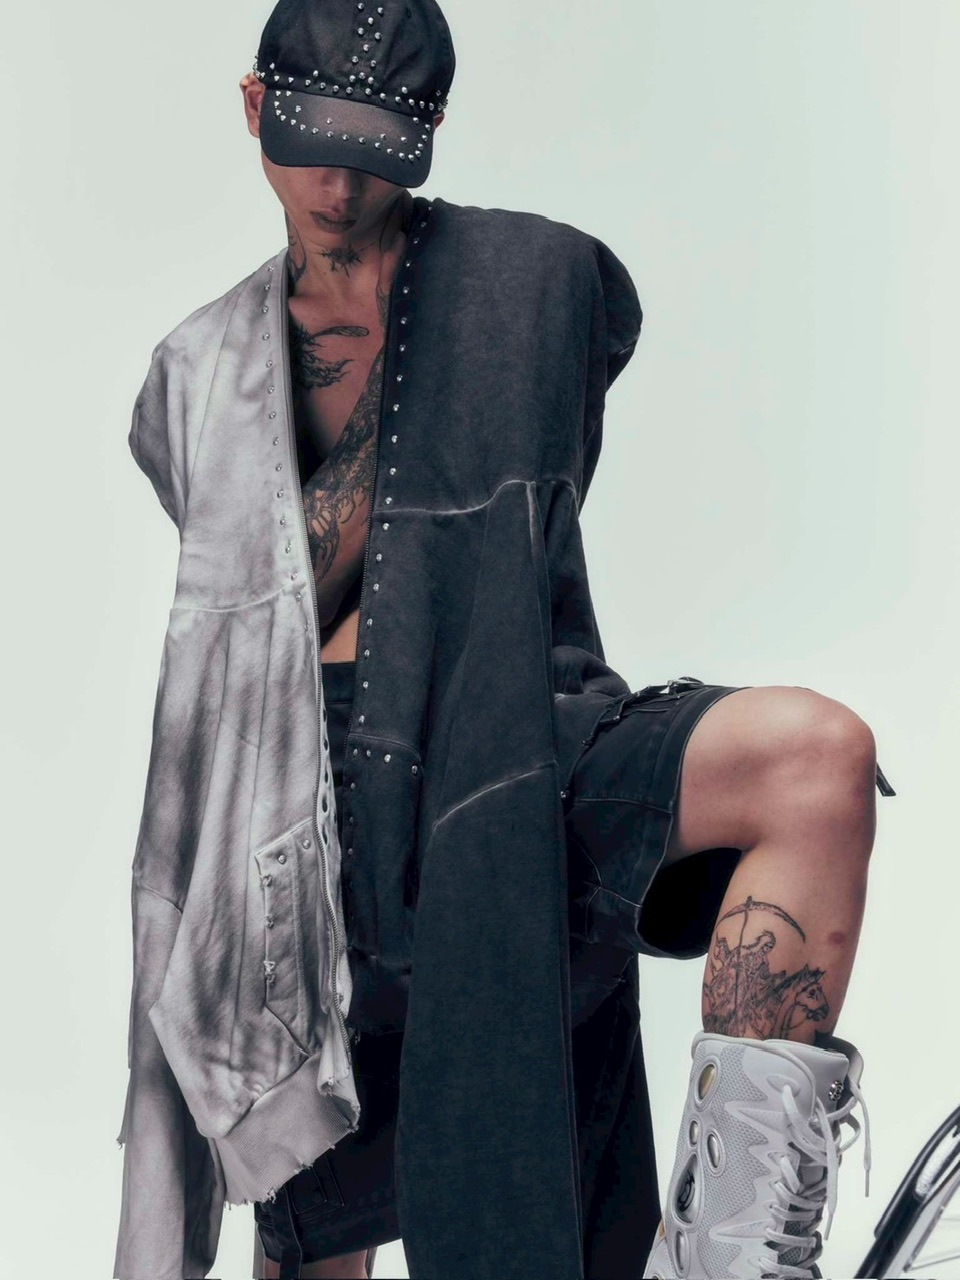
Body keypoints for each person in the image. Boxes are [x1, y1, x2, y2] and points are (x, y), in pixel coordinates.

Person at [113, 1, 897, 1278]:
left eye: (375, 148)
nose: (338, 183)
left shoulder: (538, 280)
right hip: (306, 825)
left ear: (427, 133)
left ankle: (735, 1256)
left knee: (815, 759)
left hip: (515, 748)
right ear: (255, 107)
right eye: (312, 139)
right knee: (313, 1219)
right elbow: (247, 627)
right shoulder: (193, 375)